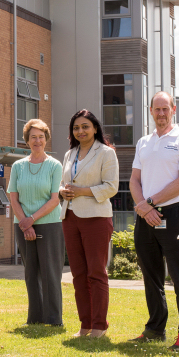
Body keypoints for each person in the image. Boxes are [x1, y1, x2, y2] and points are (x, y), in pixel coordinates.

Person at [130, 91, 179, 352]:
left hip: (171, 214)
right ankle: (154, 329)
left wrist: (149, 204)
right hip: (146, 217)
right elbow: (134, 180)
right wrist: (144, 208)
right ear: (150, 111)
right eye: (156, 109)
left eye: (165, 109)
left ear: (173, 109)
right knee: (151, 277)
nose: (161, 114)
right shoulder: (144, 142)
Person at [59, 110, 119, 338]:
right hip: (70, 217)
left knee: (96, 272)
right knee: (78, 274)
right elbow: (64, 184)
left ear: (95, 128)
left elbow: (111, 187)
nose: (80, 131)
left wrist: (82, 191)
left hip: (96, 218)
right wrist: (62, 191)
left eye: (85, 126)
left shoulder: (106, 153)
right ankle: (85, 325)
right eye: (76, 128)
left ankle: (99, 326)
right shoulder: (70, 154)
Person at [8, 118, 65, 326]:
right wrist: (25, 222)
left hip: (49, 223)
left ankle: (53, 319)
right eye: (33, 137)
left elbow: (54, 199)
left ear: (46, 139)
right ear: (27, 141)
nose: (37, 141)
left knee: (50, 272)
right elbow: (13, 197)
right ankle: (35, 319)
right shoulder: (18, 166)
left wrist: (31, 219)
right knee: (31, 272)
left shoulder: (54, 165)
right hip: (22, 224)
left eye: (41, 137)